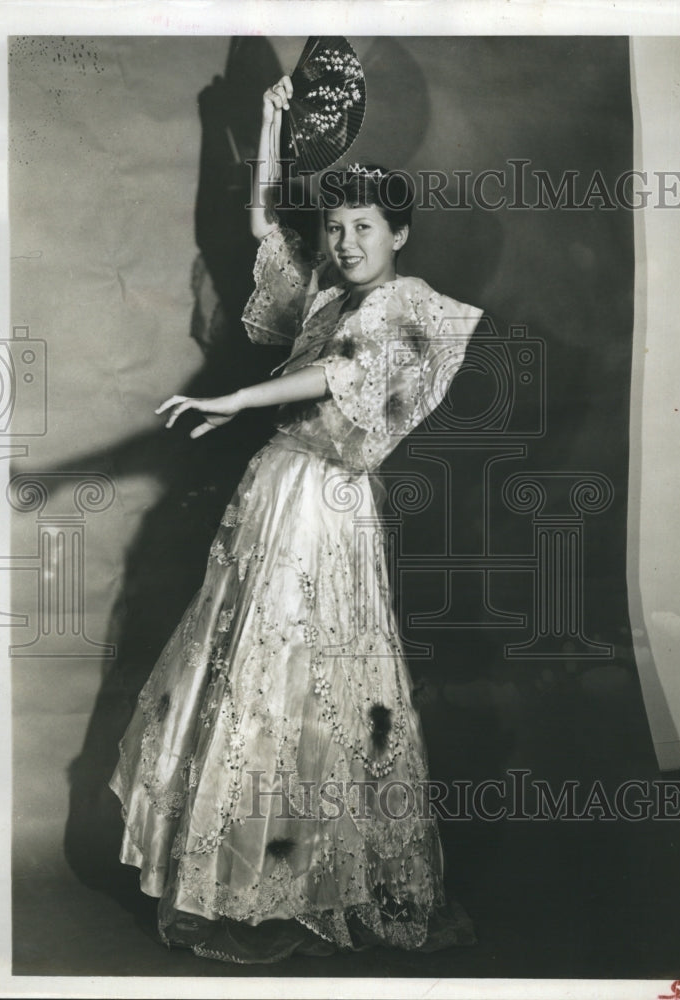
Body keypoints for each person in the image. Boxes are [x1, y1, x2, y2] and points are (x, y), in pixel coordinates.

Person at [109, 74, 483, 964]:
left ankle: (303, 875)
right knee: (245, 671)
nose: (348, 243)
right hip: (272, 495)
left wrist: (236, 395)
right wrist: (267, 126)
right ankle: (231, 876)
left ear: (400, 234)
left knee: (303, 680)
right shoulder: (324, 295)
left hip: (323, 506)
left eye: (366, 229)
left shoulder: (406, 307)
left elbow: (336, 376)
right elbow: (263, 231)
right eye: (338, 229)